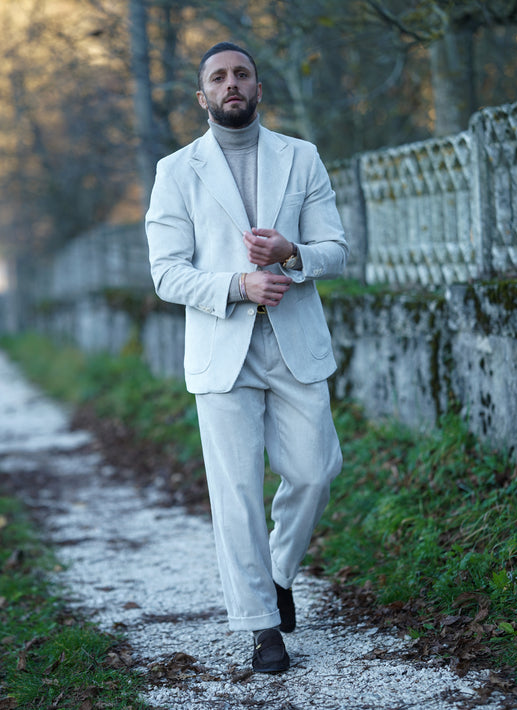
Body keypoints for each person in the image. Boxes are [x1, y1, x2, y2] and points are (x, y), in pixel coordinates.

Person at [145, 41, 348, 673]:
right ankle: (261, 625)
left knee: (315, 471)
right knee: (235, 492)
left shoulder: (301, 157)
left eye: (241, 74)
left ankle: (278, 572)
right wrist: (237, 285)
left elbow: (337, 248)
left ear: (259, 88)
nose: (231, 83)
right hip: (222, 347)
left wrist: (292, 253)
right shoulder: (176, 170)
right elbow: (166, 273)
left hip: (295, 342)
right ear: (202, 96)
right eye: (218, 77)